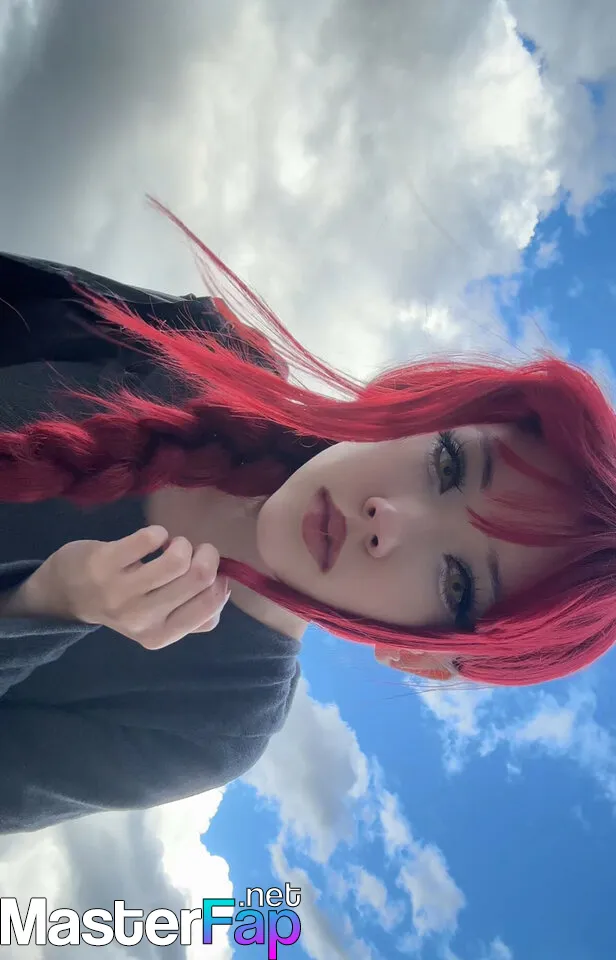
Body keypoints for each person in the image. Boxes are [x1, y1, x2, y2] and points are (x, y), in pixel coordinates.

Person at [0, 202, 613, 834]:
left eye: (456, 583)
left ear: (417, 655)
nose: (388, 521)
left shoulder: (213, 722)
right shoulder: (216, 351)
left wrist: (43, 606)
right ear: (428, 414)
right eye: (449, 464)